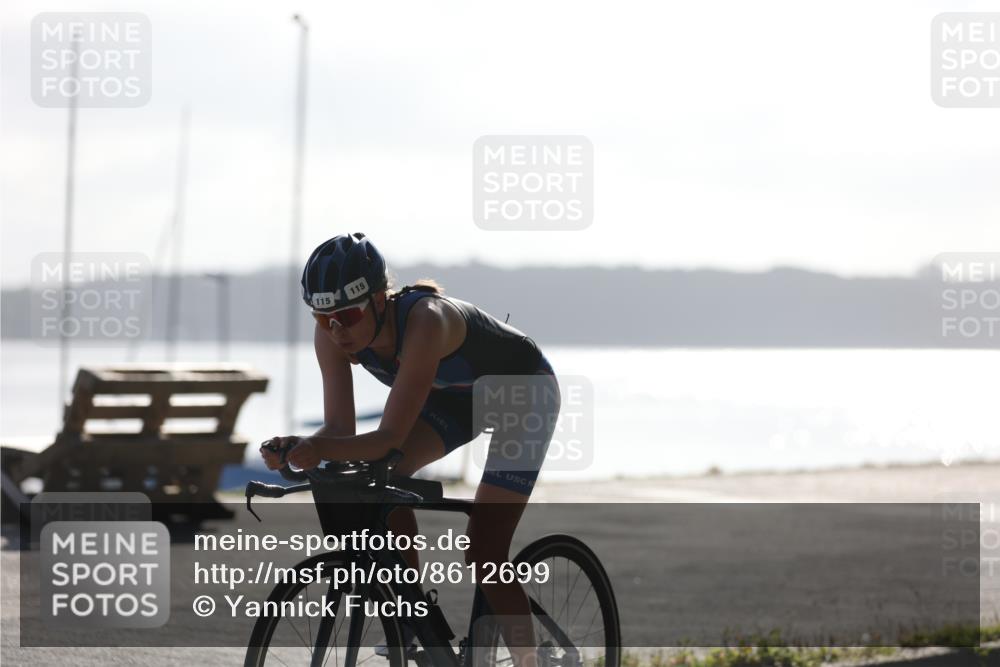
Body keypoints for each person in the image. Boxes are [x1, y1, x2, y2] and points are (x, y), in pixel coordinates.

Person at [261, 232, 560, 666]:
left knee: (485, 550)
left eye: (346, 314)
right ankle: (407, 614)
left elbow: (387, 437)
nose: (336, 329)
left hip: (522, 394)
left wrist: (317, 446)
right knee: (377, 474)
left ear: (380, 299)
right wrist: (297, 447)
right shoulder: (331, 332)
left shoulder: (427, 321)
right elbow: (341, 429)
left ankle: (529, 662)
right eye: (323, 318)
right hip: (455, 398)